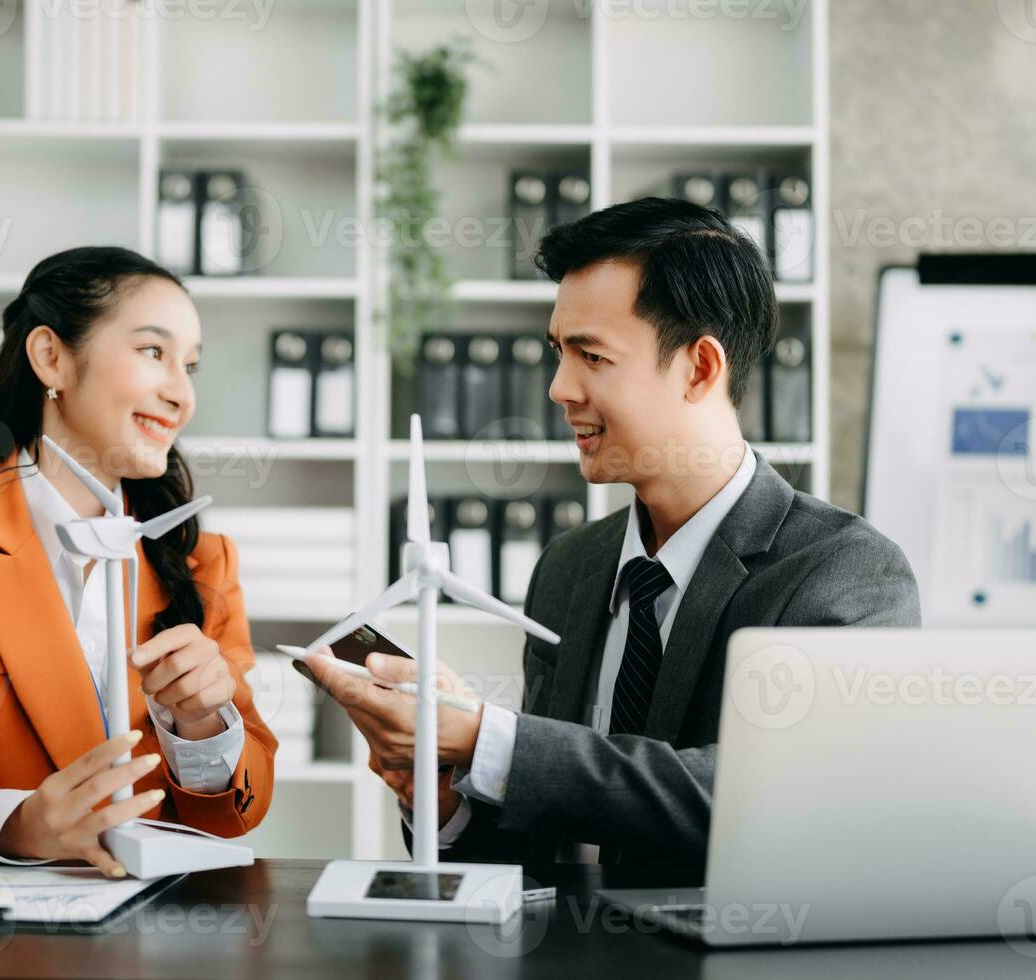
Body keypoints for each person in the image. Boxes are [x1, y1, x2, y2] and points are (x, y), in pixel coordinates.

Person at [305, 198, 920, 870]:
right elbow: (542, 844)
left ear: (700, 368)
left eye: (591, 356)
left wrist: (493, 740)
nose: (559, 389)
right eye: (558, 353)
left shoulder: (847, 576)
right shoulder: (570, 568)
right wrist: (448, 797)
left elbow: (782, 804)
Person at [0, 246, 275, 874]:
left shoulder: (202, 560)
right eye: (154, 352)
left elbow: (240, 809)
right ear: (52, 357)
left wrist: (203, 727)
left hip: (164, 934)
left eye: (190, 366)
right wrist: (26, 823)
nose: (182, 396)